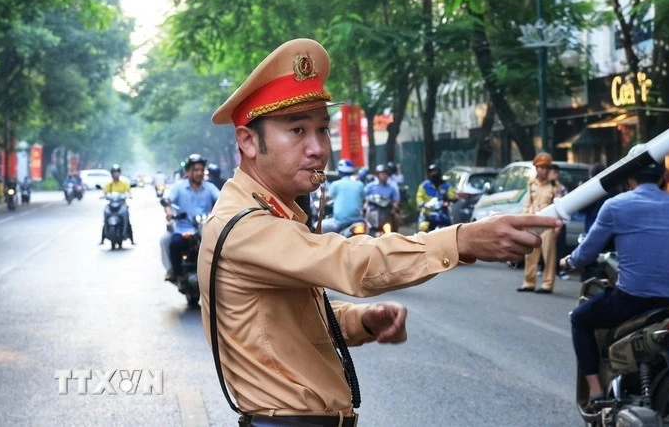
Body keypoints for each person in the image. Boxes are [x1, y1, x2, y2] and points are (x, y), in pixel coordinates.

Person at [197, 38, 560, 425]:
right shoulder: (243, 224)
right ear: (249, 141)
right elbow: (351, 260)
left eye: (323, 129)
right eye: (298, 131)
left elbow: (280, 318)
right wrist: (462, 239)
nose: (318, 148)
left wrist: (359, 322)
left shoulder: (274, 213)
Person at [559, 149, 669, 410]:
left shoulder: (616, 206)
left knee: (579, 319)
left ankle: (595, 393)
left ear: (628, 178)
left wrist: (568, 262)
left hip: (630, 302)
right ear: (663, 177)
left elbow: (587, 253)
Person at [164, 154, 220, 285]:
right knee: (174, 244)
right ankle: (178, 275)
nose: (199, 173)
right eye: (195, 170)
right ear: (189, 171)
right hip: (185, 229)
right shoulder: (179, 187)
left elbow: (222, 199)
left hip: (207, 229)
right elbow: (168, 202)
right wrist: (169, 214)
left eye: (201, 170)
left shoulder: (210, 187)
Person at [517, 152, 558, 294]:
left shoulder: (554, 186)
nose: (544, 170)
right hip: (533, 223)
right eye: (542, 167)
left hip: (548, 225)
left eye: (547, 168)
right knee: (530, 254)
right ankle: (528, 283)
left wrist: (559, 226)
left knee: (549, 256)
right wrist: (523, 221)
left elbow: (560, 205)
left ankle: (547, 284)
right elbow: (527, 205)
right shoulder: (531, 185)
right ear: (536, 168)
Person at [320, 159, 366, 233]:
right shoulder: (360, 184)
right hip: (358, 220)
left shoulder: (335, 184)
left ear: (339, 171)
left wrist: (320, 205)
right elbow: (363, 201)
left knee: (318, 226)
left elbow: (325, 199)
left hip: (339, 222)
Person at [415, 162, 457, 232]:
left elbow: (452, 195)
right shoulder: (424, 185)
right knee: (422, 227)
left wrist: (454, 198)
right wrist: (421, 204)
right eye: (431, 172)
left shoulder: (446, 185)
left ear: (439, 172)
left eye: (435, 171)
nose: (433, 174)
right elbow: (419, 196)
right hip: (428, 214)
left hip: (442, 214)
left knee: (449, 230)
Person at [102, 164, 134, 244]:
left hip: (122, 204)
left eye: (117, 172)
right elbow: (105, 193)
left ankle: (131, 238)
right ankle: (102, 238)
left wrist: (129, 195)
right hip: (112, 204)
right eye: (114, 172)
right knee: (105, 217)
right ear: (111, 174)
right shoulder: (109, 184)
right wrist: (103, 196)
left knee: (127, 220)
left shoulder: (124, 183)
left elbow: (129, 192)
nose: (115, 174)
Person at [364, 163, 401, 231]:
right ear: (378, 175)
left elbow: (396, 200)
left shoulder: (391, 188)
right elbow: (364, 197)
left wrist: (394, 208)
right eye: (382, 174)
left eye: (386, 174)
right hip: (372, 212)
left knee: (397, 218)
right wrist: (365, 204)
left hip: (386, 213)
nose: (385, 176)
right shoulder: (370, 187)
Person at [548, 164, 570, 280]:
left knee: (560, 248)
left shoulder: (562, 188)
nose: (554, 175)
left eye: (556, 173)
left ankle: (559, 270)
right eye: (552, 173)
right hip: (547, 221)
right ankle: (543, 267)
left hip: (560, 221)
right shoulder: (545, 187)